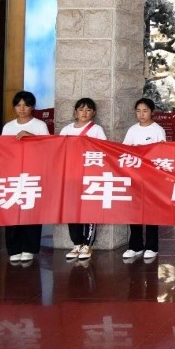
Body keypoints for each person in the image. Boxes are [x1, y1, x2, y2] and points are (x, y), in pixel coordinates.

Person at [1, 91, 49, 263]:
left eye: (26, 105)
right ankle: (14, 248)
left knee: (31, 211)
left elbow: (48, 147)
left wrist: (31, 137)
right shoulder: (8, 127)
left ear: (32, 107)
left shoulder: (39, 125)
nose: (22, 109)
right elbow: (2, 149)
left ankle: (29, 248)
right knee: (12, 210)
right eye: (18, 105)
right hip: (13, 174)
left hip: (33, 174)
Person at [59, 98, 106, 262]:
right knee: (72, 211)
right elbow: (59, 150)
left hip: (90, 176)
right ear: (75, 112)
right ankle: (77, 243)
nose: (84, 113)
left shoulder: (97, 130)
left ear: (94, 113)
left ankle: (87, 244)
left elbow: (104, 151)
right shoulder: (66, 129)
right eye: (81, 109)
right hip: (71, 176)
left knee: (89, 210)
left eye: (88, 110)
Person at [122, 98, 167, 262]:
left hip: (151, 178)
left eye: (145, 111)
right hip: (134, 176)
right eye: (138, 111)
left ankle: (151, 246)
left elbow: (162, 153)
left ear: (152, 112)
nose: (141, 114)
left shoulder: (158, 130)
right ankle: (135, 246)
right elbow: (124, 150)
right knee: (133, 211)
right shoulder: (132, 130)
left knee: (151, 212)